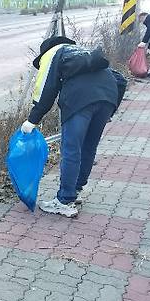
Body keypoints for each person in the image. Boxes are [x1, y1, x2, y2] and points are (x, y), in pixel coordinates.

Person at [21, 36, 118, 218]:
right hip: (108, 97)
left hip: (79, 101)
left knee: (71, 150)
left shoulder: (52, 54)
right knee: (88, 148)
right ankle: (75, 191)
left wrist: (32, 121)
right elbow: (119, 79)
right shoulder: (83, 52)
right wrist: (109, 109)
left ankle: (64, 200)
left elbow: (46, 90)